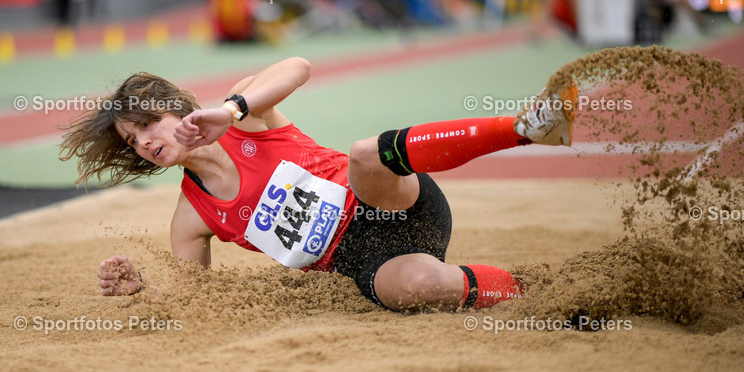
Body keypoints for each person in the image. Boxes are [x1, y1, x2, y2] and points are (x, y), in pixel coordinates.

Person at [60, 59, 577, 312]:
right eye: (132, 142)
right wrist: (143, 292)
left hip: (389, 200)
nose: (144, 142)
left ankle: (525, 129)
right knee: (418, 290)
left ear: (175, 107)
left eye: (148, 125)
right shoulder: (192, 218)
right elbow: (192, 297)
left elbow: (299, 67)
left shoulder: (243, 114)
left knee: (365, 153)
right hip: (367, 262)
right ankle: (547, 292)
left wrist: (233, 108)